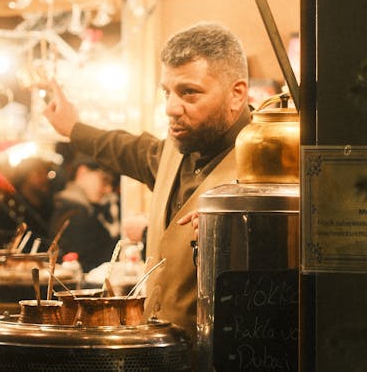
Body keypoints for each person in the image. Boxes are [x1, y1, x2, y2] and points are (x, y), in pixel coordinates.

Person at [43, 21, 251, 344]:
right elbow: (127, 149)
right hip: (162, 366)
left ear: (236, 95)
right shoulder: (176, 149)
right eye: (167, 92)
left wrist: (240, 235)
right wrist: (73, 128)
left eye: (189, 93)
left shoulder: (266, 167)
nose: (171, 108)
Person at [48, 156, 120, 272]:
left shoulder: (68, 207)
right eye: (105, 179)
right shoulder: (76, 214)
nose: (108, 189)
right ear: (83, 172)